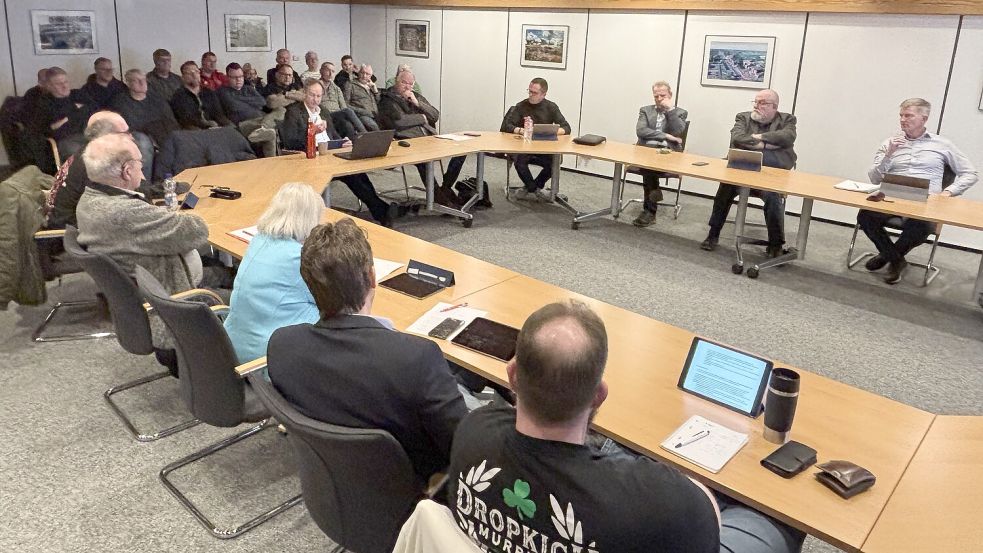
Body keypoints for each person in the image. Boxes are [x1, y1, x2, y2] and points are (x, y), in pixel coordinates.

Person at [447, 300, 806, 553]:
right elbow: (703, 516)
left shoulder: (473, 430)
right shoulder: (659, 500)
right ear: (599, 396)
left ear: (512, 375)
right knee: (780, 517)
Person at [267, 217, 467, 482]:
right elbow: (463, 447)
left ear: (308, 283)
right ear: (372, 277)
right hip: (416, 487)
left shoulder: (282, 345)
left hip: (331, 484)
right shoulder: (416, 358)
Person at [76, 132, 210, 369]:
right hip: (175, 310)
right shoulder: (124, 213)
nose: (144, 171)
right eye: (140, 162)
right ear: (127, 171)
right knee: (246, 287)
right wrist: (166, 217)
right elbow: (197, 230)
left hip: (154, 294)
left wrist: (160, 217)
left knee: (219, 265)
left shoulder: (89, 201)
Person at [859, 98, 978, 284]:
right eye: (901, 115)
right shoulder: (890, 143)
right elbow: (874, 178)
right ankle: (896, 260)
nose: (903, 120)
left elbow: (970, 173)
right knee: (865, 216)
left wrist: (947, 193)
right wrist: (889, 154)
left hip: (926, 201)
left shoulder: (943, 145)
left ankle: (888, 256)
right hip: (891, 197)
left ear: (924, 118)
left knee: (922, 226)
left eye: (908, 116)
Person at [223, 183, 322, 362]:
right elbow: (329, 300)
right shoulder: (297, 257)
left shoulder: (258, 241)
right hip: (269, 356)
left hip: (232, 345)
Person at [280, 80, 398, 226]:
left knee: (357, 174)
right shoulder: (293, 112)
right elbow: (291, 141)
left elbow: (333, 135)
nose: (315, 99)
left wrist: (342, 141)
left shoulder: (323, 111)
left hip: (330, 154)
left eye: (318, 96)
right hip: (309, 157)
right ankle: (383, 211)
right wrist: (312, 132)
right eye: (312, 95)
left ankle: (381, 211)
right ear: (305, 93)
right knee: (353, 176)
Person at [702, 89, 796, 257]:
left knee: (774, 198)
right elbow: (737, 138)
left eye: (762, 103)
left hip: (769, 176)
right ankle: (713, 233)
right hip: (741, 171)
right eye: (755, 102)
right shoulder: (743, 117)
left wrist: (759, 139)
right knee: (724, 189)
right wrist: (771, 145)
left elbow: (787, 138)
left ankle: (775, 244)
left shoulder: (787, 120)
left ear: (774, 107)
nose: (756, 106)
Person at [378, 70, 466, 208]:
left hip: (430, 138)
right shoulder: (387, 99)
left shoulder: (416, 96)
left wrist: (418, 103)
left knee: (461, 150)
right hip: (408, 140)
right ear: (396, 81)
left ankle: (446, 187)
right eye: (404, 83)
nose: (407, 87)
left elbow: (435, 115)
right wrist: (422, 117)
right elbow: (399, 122)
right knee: (424, 160)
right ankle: (438, 196)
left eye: (410, 84)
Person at [47, 111, 129, 229]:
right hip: (68, 233)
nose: (131, 137)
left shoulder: (89, 154)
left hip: (82, 225)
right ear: (108, 136)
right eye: (125, 133)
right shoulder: (96, 164)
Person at [500, 77, 571, 199]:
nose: (530, 95)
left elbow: (566, 128)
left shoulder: (551, 107)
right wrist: (522, 130)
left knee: (554, 163)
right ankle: (533, 189)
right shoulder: (521, 106)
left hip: (544, 147)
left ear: (543, 94)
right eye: (529, 91)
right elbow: (507, 126)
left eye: (534, 92)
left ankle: (532, 187)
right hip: (524, 147)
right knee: (519, 162)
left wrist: (553, 131)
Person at [632, 81, 688, 227]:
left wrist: (670, 110)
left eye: (662, 95)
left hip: (668, 154)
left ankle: (649, 212)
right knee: (649, 165)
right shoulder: (645, 110)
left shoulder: (680, 113)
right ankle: (653, 199)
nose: (659, 99)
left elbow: (677, 131)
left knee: (649, 168)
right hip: (646, 151)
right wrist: (666, 136)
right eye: (656, 96)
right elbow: (641, 131)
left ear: (670, 95)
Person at [218, 62, 278, 157]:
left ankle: (263, 128)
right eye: (234, 77)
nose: (238, 79)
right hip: (243, 125)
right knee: (271, 131)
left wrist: (239, 99)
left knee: (280, 110)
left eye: (241, 76)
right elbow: (234, 106)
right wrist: (250, 102)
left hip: (260, 120)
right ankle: (264, 129)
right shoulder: (223, 91)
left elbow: (262, 102)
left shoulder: (248, 88)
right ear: (227, 78)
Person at [110, 69, 180, 150]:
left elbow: (170, 120)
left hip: (160, 134)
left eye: (144, 80)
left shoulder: (157, 99)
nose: (142, 83)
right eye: (136, 80)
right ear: (128, 84)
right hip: (137, 137)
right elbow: (124, 128)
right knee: (143, 142)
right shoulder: (120, 103)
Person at [32, 67, 95, 146]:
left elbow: (95, 110)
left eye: (66, 82)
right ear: (49, 86)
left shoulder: (78, 94)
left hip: (91, 134)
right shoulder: (44, 103)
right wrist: (76, 109)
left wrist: (65, 119)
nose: (64, 86)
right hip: (67, 140)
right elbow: (48, 130)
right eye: (58, 84)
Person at [170, 61, 232, 129]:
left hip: (215, 128)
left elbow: (219, 115)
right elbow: (187, 121)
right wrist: (207, 125)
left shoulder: (209, 93)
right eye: (189, 73)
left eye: (196, 71)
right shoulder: (178, 97)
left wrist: (230, 127)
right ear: (183, 77)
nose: (194, 75)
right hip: (195, 131)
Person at [317, 61, 367, 138]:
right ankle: (366, 135)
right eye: (328, 70)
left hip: (337, 115)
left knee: (348, 125)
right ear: (321, 71)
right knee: (348, 111)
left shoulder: (336, 88)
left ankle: (356, 143)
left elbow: (343, 106)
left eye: (333, 71)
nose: (330, 74)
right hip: (325, 115)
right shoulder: (316, 86)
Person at [342, 64, 381, 132]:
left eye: (367, 74)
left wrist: (376, 91)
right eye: (362, 73)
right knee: (372, 126)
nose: (364, 76)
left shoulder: (371, 86)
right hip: (361, 115)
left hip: (376, 115)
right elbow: (345, 104)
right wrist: (362, 111)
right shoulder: (350, 84)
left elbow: (379, 102)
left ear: (370, 76)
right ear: (359, 73)